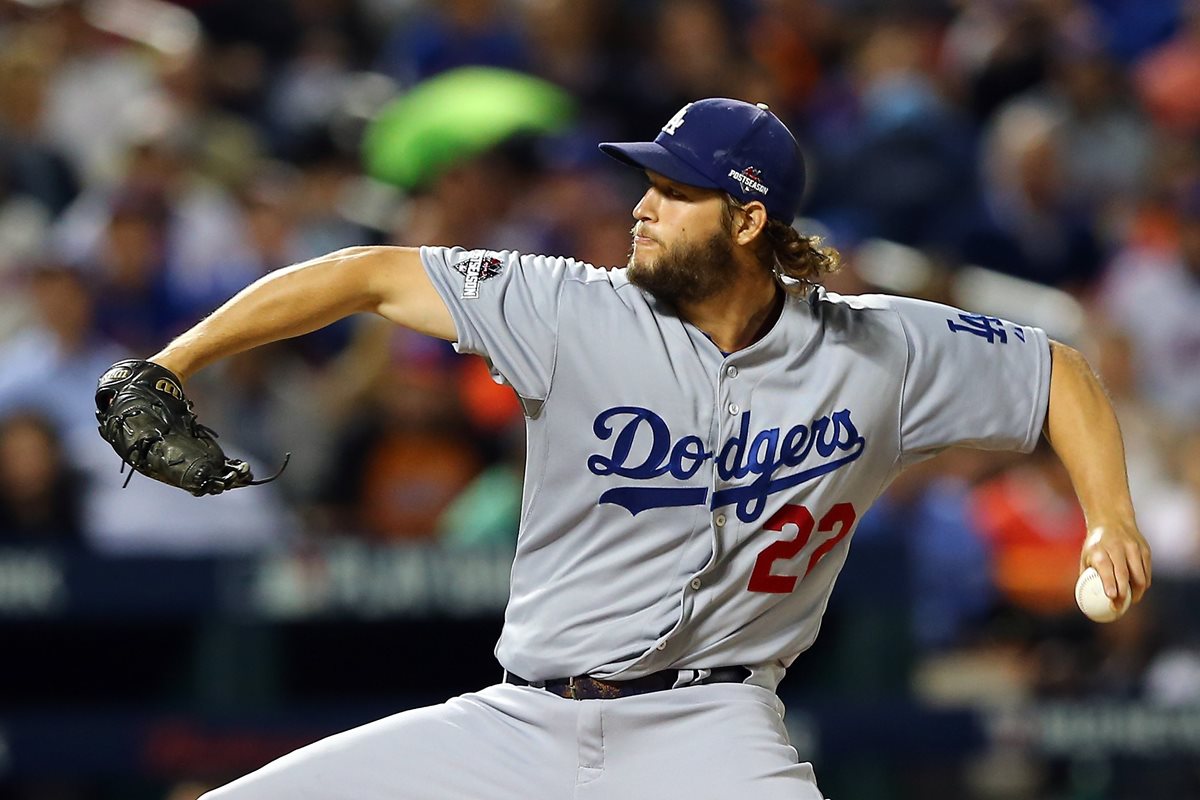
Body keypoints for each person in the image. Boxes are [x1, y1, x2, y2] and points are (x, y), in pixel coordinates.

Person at [131, 98, 1150, 799]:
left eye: (676, 190)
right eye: (647, 181)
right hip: (518, 724)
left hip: (713, 728)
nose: (642, 205)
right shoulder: (570, 308)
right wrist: (176, 359)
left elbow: (1057, 370)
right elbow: (364, 275)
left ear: (749, 219)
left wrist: (1108, 516)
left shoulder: (877, 350)